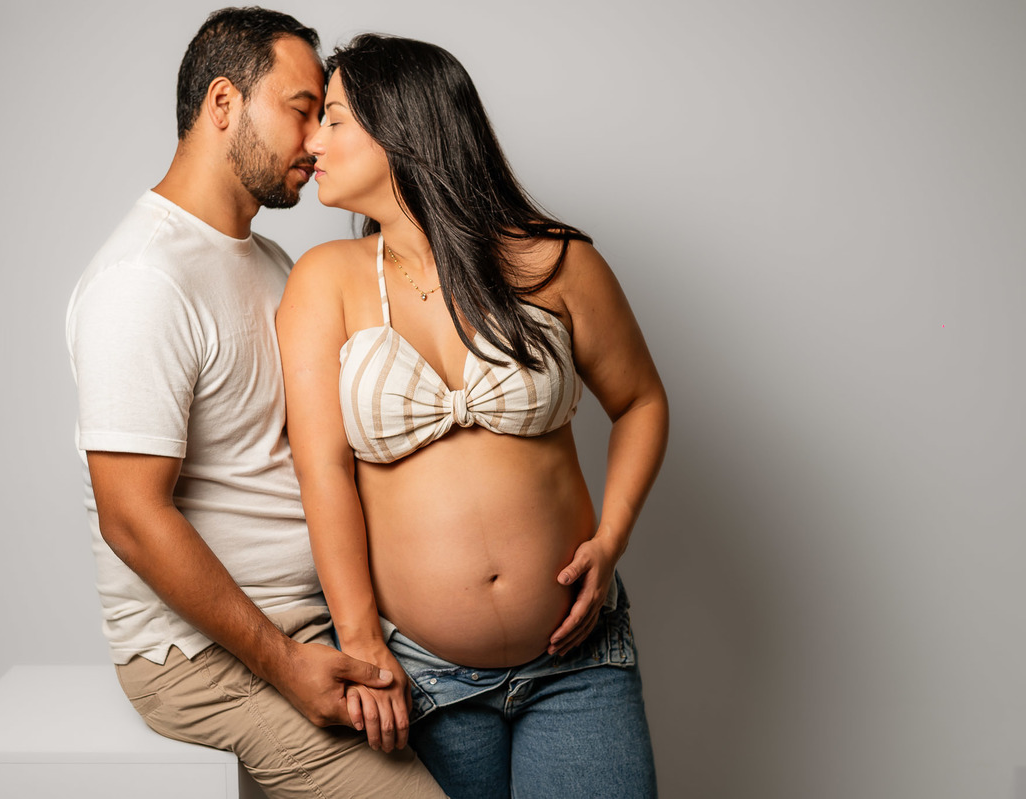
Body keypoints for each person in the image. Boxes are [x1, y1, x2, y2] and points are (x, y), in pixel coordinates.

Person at [276, 33, 669, 798]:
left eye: (333, 118)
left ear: (403, 127)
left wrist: (611, 539)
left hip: (578, 663)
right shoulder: (326, 282)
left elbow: (642, 401)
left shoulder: (557, 263)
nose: (311, 140)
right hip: (419, 679)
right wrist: (360, 643)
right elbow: (320, 469)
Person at [65, 11, 445, 799]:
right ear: (223, 104)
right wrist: (284, 660)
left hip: (317, 623)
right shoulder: (143, 279)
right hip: (211, 659)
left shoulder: (270, 262)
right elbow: (130, 515)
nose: (316, 139)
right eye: (301, 108)